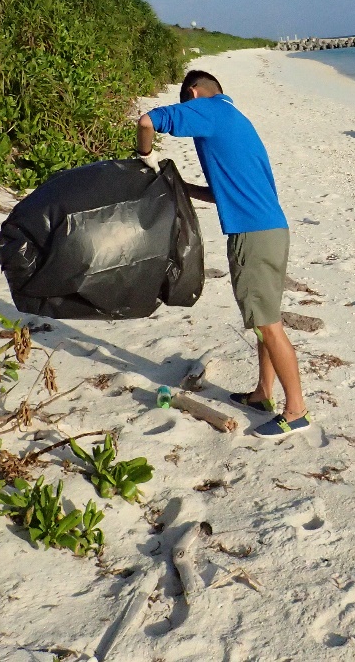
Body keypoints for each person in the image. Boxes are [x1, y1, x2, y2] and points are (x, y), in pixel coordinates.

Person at [135, 69, 310, 439]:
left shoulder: (209, 110)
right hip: (273, 230)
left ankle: (296, 411)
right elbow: (223, 194)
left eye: (188, 105)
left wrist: (144, 157)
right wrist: (181, 186)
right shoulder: (235, 120)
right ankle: (263, 393)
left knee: (268, 326)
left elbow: (147, 121)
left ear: (194, 94)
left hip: (254, 236)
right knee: (266, 317)